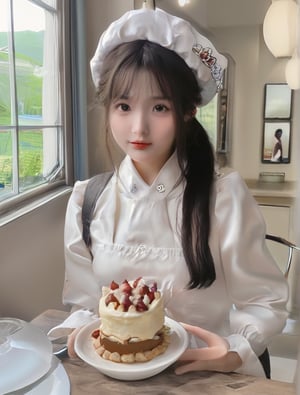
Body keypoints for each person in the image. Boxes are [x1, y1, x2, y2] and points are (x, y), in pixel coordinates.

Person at [51, 7, 288, 378]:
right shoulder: (87, 201)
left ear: (189, 110)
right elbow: (83, 302)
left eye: (159, 107)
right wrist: (78, 331)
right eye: (124, 106)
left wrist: (234, 351)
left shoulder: (222, 198)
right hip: (117, 378)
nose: (138, 126)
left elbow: (265, 301)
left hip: (204, 379)